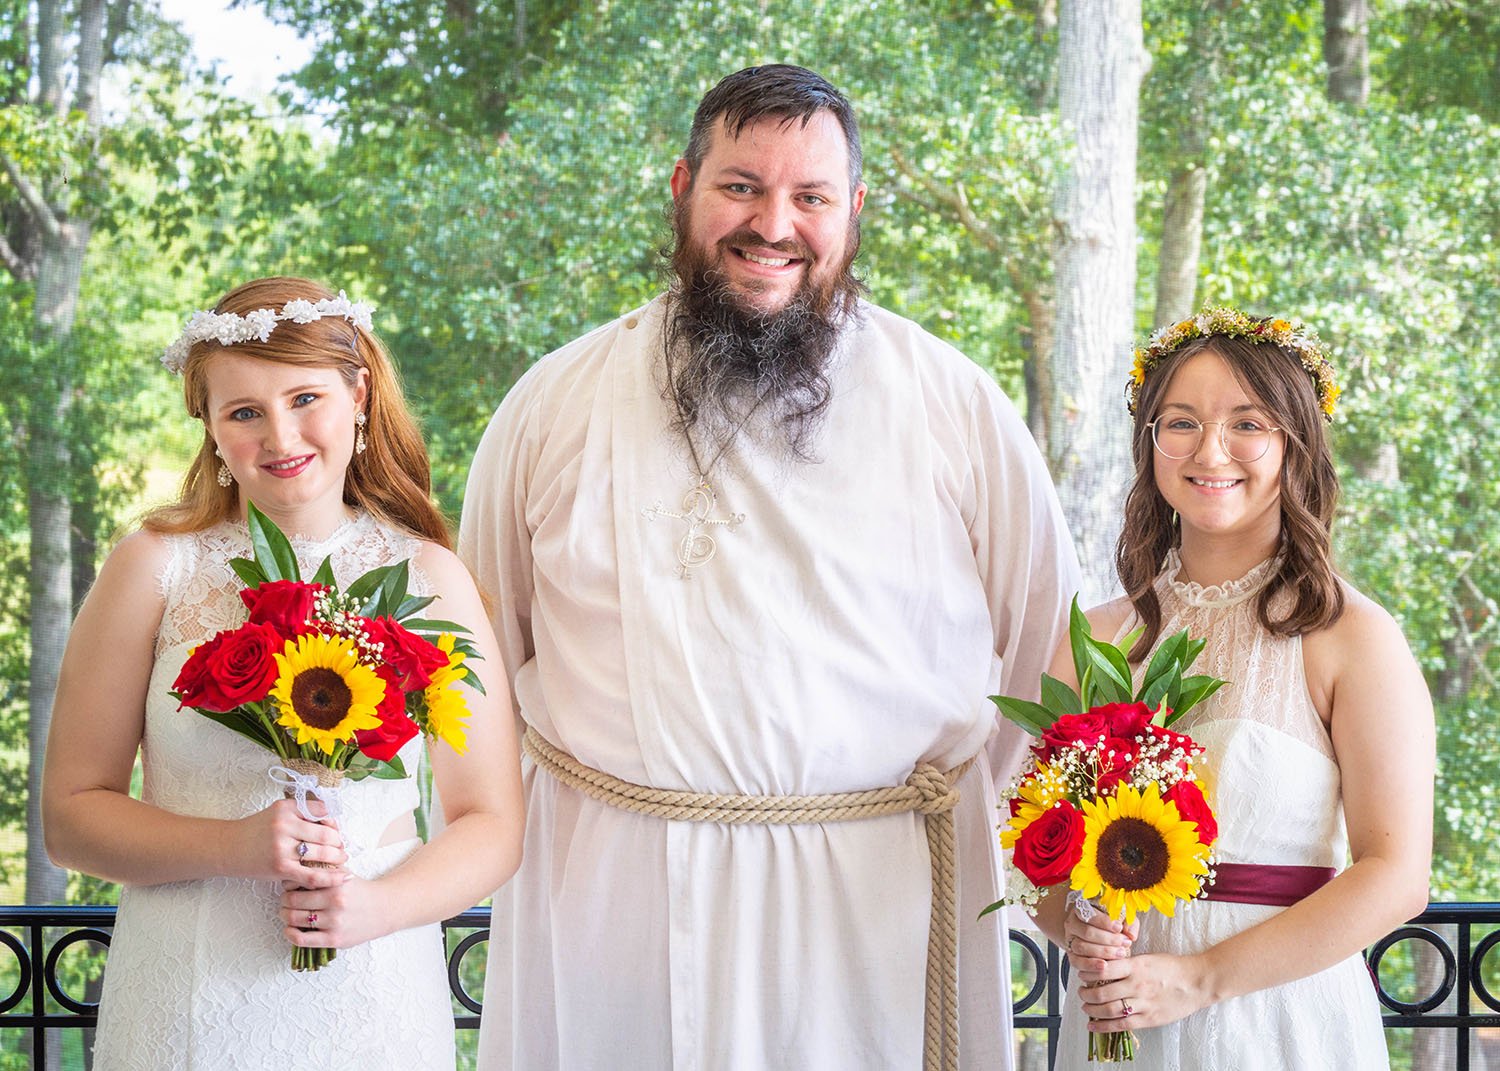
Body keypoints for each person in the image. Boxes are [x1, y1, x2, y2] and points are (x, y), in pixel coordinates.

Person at [460, 64, 1080, 1070]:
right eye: (741, 186)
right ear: (683, 187)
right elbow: (478, 662)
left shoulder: (955, 406)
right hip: (617, 898)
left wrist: (950, 813)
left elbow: (1043, 656)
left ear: (855, 211)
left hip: (882, 899)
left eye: (811, 197)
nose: (773, 224)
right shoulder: (552, 405)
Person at [42, 276, 525, 1070]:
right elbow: (70, 817)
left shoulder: (431, 575)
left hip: (373, 991)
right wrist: (237, 845)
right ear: (210, 426)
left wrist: (372, 906)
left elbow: (492, 822)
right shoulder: (153, 569)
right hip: (185, 994)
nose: (280, 435)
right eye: (244, 412)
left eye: (305, 398)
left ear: (359, 393)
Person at [1033, 307, 1434, 1069]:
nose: (1209, 449)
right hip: (1120, 1020)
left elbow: (1396, 876)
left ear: (1295, 442)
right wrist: (1076, 922)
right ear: (1151, 444)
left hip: (1280, 1023)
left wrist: (1200, 980)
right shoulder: (1099, 634)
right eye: (1180, 422)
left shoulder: (1351, 635)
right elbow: (1043, 853)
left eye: (1247, 423)